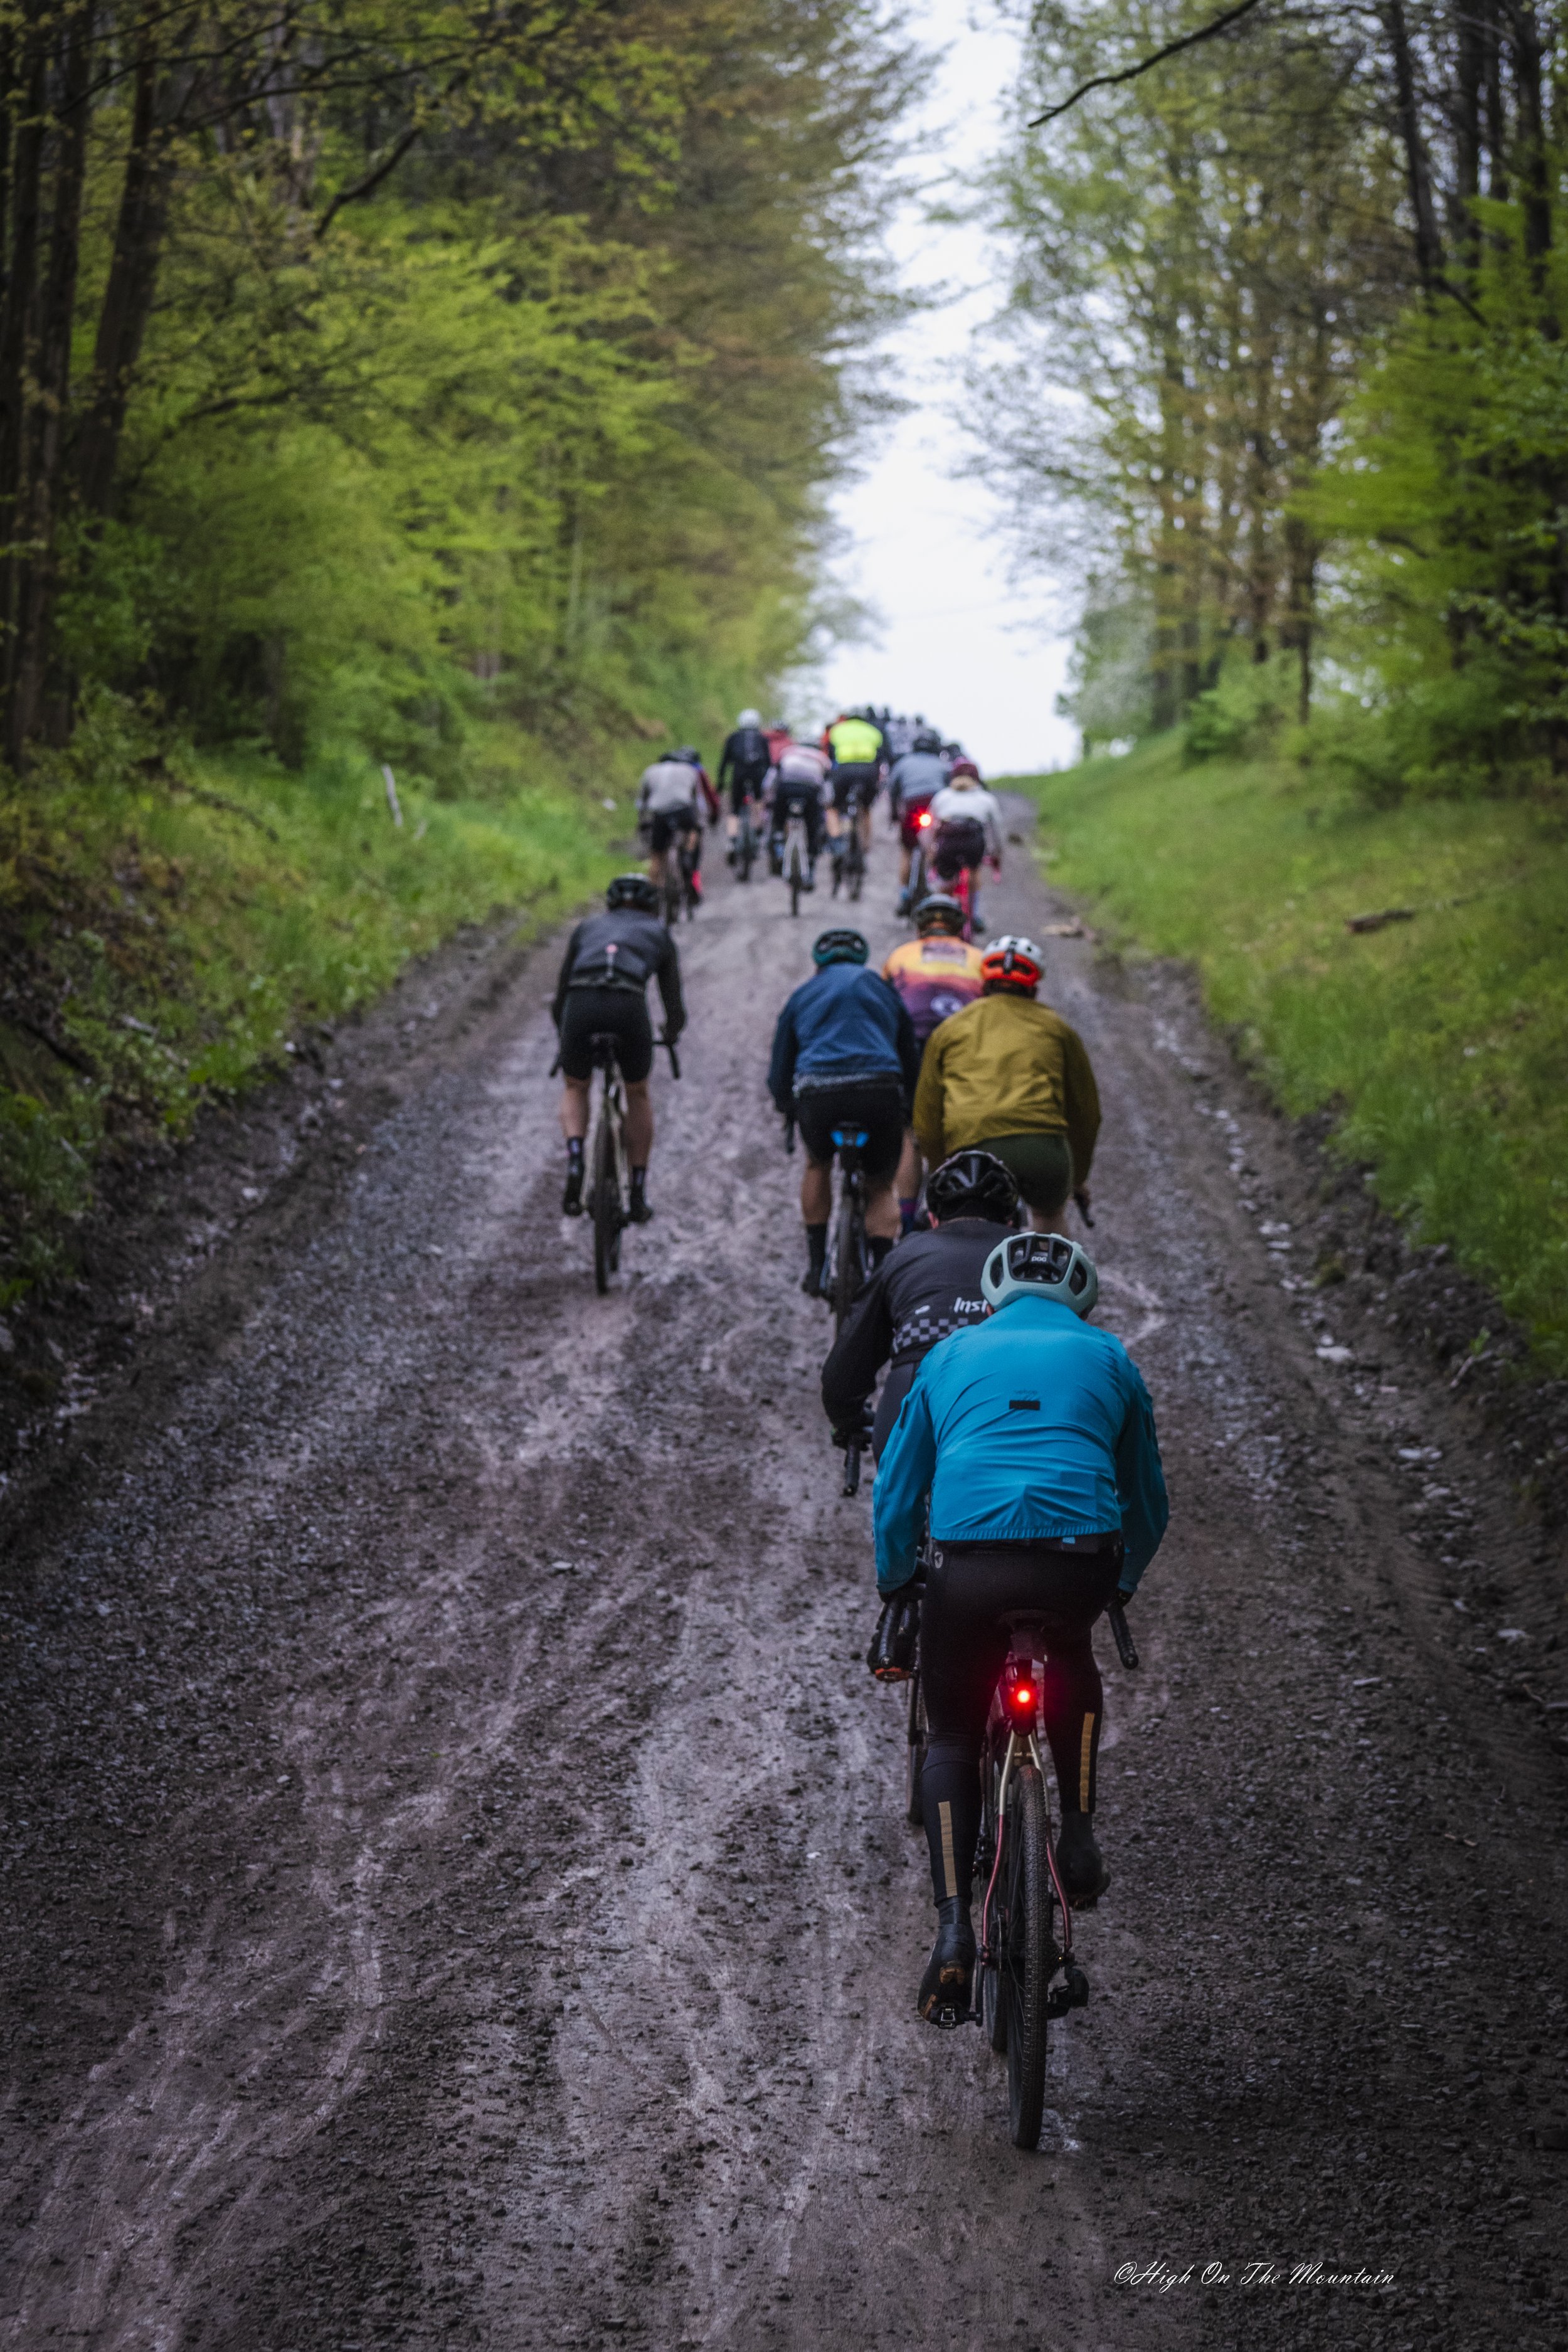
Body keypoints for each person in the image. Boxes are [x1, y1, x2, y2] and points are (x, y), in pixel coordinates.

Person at [871, 1229, 1168, 2024]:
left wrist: (898, 1577)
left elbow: (898, 1488)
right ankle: (1074, 1833)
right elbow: (1147, 1498)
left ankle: (951, 1931)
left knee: (954, 1740)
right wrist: (1123, 1580)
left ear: (997, 1294)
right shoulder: (1110, 1358)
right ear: (1080, 1296)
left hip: (967, 1568)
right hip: (1076, 1565)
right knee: (1071, 1656)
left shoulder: (948, 1356)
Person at [820, 1148, 1019, 1463]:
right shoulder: (1029, 1258)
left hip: (916, 1384)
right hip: (1010, 1393)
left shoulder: (903, 1255)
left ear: (934, 1220)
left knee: (898, 1498)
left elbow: (846, 1366)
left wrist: (848, 1419)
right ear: (1010, 1222)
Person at [766, 928, 923, 1297]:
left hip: (820, 1093)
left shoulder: (803, 993)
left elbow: (780, 1065)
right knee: (881, 1184)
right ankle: (883, 1280)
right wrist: (911, 1108)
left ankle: (817, 1267)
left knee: (818, 1164)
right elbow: (909, 1053)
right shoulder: (882, 988)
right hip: (878, 1090)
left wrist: (786, 1106)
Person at [912, 936, 1100, 1234]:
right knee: (1049, 1216)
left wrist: (940, 1167)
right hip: (1042, 1148)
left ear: (983, 984)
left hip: (972, 1144)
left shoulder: (951, 1028)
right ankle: (1050, 1271)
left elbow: (926, 1113)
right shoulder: (1058, 1028)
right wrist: (1077, 1177)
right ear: (1034, 989)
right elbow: (1086, 1112)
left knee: (969, 1228)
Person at [552, 874, 686, 1222]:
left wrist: (563, 1039)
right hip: (628, 1005)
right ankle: (638, 1192)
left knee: (576, 1086)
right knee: (637, 1093)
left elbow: (561, 994)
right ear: (651, 905)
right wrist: (671, 1033)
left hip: (581, 1004)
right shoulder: (658, 933)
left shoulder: (587, 928)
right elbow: (673, 1002)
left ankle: (577, 1158)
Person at [880, 894, 986, 1226]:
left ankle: (908, 1223)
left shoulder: (900, 955)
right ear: (959, 929)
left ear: (920, 928)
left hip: (914, 1044)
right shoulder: (979, 958)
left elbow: (885, 1009)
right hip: (963, 1044)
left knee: (910, 1134)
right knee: (959, 1127)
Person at [926, 766, 1004, 930]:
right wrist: (998, 852)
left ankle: (941, 915)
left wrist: (930, 851)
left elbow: (931, 828)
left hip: (948, 841)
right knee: (974, 871)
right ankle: (974, 916)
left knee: (945, 881)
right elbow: (997, 829)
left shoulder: (942, 796)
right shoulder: (986, 798)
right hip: (973, 842)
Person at [637, 748, 718, 904]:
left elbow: (642, 802)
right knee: (693, 831)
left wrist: (642, 821)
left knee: (657, 855)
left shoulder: (651, 771)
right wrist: (701, 821)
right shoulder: (689, 770)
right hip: (683, 811)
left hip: (660, 814)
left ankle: (651, 898)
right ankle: (688, 853)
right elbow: (698, 800)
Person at [886, 728, 949, 912]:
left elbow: (893, 790)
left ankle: (904, 895)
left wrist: (894, 815)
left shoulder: (904, 763)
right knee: (933, 849)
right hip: (934, 806)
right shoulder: (942, 765)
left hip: (912, 807)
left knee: (907, 850)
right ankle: (931, 884)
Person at [821, 708, 887, 866]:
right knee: (866, 809)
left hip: (845, 770)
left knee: (833, 808)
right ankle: (865, 845)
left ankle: (836, 842)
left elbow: (831, 754)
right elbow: (881, 755)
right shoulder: (873, 731)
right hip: (868, 771)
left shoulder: (837, 730)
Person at [766, 736, 830, 888]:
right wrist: (826, 803)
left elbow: (772, 778)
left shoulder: (788, 752)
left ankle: (779, 842)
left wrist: (769, 797)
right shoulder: (821, 757)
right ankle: (811, 861)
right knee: (813, 826)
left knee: (779, 819)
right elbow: (827, 786)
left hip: (786, 787)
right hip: (810, 790)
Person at [719, 709, 773, 862]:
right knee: (758, 802)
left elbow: (724, 762)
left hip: (739, 775)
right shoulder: (762, 738)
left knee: (734, 809)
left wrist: (721, 783)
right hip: (757, 777)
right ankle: (758, 831)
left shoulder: (733, 738)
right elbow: (768, 762)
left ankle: (732, 841)